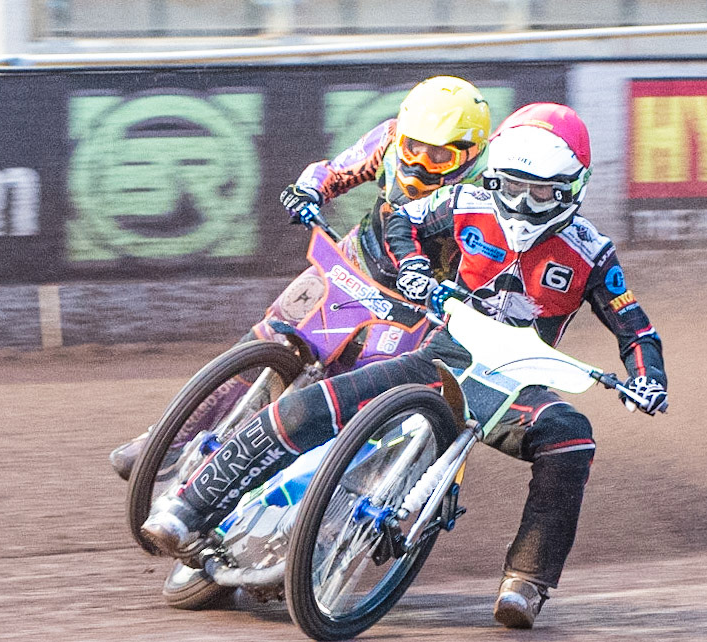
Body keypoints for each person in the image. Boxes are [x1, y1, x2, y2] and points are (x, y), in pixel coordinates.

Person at [140, 103, 669, 629]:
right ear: (495, 178)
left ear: (572, 189)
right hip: (440, 355)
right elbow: (405, 219)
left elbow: (636, 328)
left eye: (541, 193)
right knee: (312, 403)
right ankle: (189, 508)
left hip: (518, 385)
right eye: (511, 187)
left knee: (572, 437)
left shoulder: (592, 253)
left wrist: (648, 379)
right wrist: (415, 269)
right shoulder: (465, 201)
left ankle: (526, 582)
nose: (524, 204)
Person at [108, 75, 492, 480]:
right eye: (413, 148)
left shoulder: (486, 193)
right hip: (353, 262)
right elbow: (335, 171)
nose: (418, 163)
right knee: (272, 332)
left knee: (360, 392)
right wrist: (308, 192)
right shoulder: (392, 136)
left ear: (472, 153)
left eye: (438, 158)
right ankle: (170, 438)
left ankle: (310, 492)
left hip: (418, 305)